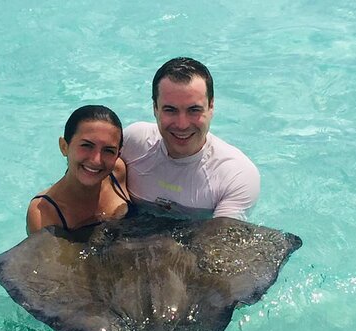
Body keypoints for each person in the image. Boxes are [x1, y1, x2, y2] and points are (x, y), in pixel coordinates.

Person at [121, 57, 260, 220]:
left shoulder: (235, 175)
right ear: (155, 109)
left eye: (194, 110)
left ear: (211, 107)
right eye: (170, 110)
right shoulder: (132, 144)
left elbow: (220, 244)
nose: (182, 124)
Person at [26, 105, 133, 234]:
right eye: (86, 145)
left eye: (109, 150)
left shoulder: (117, 172)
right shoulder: (44, 213)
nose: (96, 160)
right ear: (64, 147)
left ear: (117, 155)